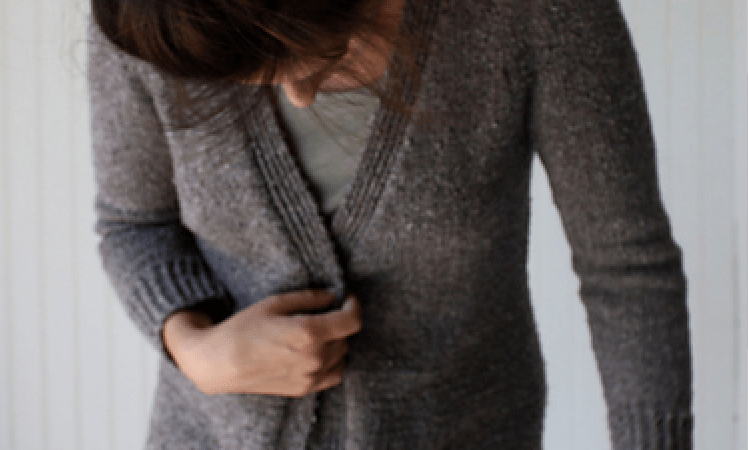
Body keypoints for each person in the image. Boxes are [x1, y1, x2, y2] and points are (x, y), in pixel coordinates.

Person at [87, 0, 693, 448]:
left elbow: (626, 267)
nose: (300, 97)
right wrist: (195, 349)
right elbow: (134, 223)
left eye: (321, 50)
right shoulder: (155, 19)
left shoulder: (533, 12)